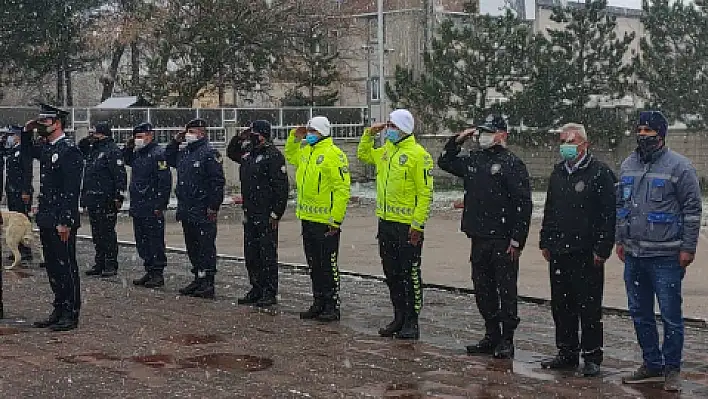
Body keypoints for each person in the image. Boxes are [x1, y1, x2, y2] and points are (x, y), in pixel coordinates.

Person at [617, 111, 701, 392]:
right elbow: (621, 208)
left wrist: (688, 247)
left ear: (661, 135)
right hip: (634, 255)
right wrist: (620, 239)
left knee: (670, 315)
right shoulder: (628, 165)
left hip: (666, 256)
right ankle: (651, 365)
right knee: (640, 313)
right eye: (639, 129)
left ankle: (672, 369)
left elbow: (692, 210)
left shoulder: (680, 167)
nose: (642, 135)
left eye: (648, 130)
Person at [438, 114, 532, 358]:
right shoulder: (475, 160)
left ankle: (506, 339)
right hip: (478, 236)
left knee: (506, 291)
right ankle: (491, 334)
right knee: (483, 289)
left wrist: (517, 239)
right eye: (482, 131)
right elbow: (445, 162)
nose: (484, 136)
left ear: (503, 134)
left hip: (503, 239)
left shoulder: (512, 163)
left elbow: (523, 205)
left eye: (490, 131)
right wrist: (457, 140)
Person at [538, 123, 616, 377]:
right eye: (562, 141)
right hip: (559, 250)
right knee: (562, 305)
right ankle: (567, 351)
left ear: (584, 145)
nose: (566, 147)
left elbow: (608, 214)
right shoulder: (559, 172)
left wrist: (602, 248)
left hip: (586, 252)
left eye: (571, 142)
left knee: (589, 307)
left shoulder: (600, 173)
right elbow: (550, 209)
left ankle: (592, 355)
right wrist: (546, 240)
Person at [357, 109, 433, 339]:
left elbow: (425, 193)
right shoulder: (387, 151)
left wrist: (417, 225)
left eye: (392, 125)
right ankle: (399, 316)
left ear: (403, 129)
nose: (388, 129)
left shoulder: (419, 155)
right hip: (386, 222)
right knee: (392, 274)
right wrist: (368, 135)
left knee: (409, 274)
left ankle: (412, 321)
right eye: (388, 125)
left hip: (407, 226)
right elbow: (363, 154)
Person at [21, 103, 83, 331]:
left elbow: (71, 189)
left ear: (58, 123)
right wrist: (26, 132)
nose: (41, 125)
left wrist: (65, 221)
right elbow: (27, 152)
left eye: (45, 122)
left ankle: (71, 312)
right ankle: (58, 307)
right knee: (53, 267)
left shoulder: (69, 150)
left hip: (60, 219)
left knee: (66, 266)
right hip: (47, 216)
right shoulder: (48, 148)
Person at [285, 116, 351, 321]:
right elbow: (290, 154)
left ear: (322, 132)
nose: (309, 134)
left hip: (326, 221)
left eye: (313, 131)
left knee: (327, 265)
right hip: (307, 217)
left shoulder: (334, 155)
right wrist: (293, 137)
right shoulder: (306, 152)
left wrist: (336, 219)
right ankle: (319, 301)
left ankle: (332, 305)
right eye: (308, 131)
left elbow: (342, 189)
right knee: (314, 264)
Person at [226, 120, 288, 307]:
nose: (251, 136)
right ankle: (256, 287)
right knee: (251, 254)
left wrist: (276, 213)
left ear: (262, 135)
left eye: (254, 133)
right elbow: (231, 153)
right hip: (250, 212)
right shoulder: (249, 154)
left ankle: (269, 291)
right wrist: (238, 137)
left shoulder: (273, 156)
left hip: (266, 213)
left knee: (267, 254)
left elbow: (281, 188)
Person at [166, 118, 225, 299]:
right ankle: (198, 278)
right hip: (187, 208)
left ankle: (208, 281)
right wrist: (175, 141)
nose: (188, 135)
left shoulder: (209, 153)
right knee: (192, 246)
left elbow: (217, 182)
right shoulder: (185, 153)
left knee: (205, 246)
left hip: (202, 208)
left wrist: (213, 206)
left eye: (192, 132)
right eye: (187, 132)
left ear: (202, 133)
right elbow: (169, 158)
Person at [124, 122, 172, 288]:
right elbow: (125, 159)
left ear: (150, 136)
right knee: (142, 241)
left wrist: (160, 204)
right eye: (135, 137)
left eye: (140, 136)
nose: (137, 140)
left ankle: (157, 273)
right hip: (139, 205)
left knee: (154, 241)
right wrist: (128, 146)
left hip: (152, 205)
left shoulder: (158, 154)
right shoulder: (138, 154)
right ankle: (149, 269)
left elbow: (164, 182)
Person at [78, 122, 127, 278]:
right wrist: (84, 199)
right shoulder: (94, 150)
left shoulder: (112, 151)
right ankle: (100, 262)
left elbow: (119, 175)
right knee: (97, 233)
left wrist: (118, 196)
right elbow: (81, 149)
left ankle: (110, 264)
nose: (92, 136)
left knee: (107, 233)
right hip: (93, 198)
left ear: (102, 134)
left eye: (94, 133)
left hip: (106, 199)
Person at [2, 125, 33, 262]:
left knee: (22, 220)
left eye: (12, 135)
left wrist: (26, 190)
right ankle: (18, 247)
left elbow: (27, 172)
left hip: (21, 191)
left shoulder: (23, 151)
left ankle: (26, 249)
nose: (11, 137)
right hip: (12, 191)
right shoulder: (13, 150)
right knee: (15, 222)